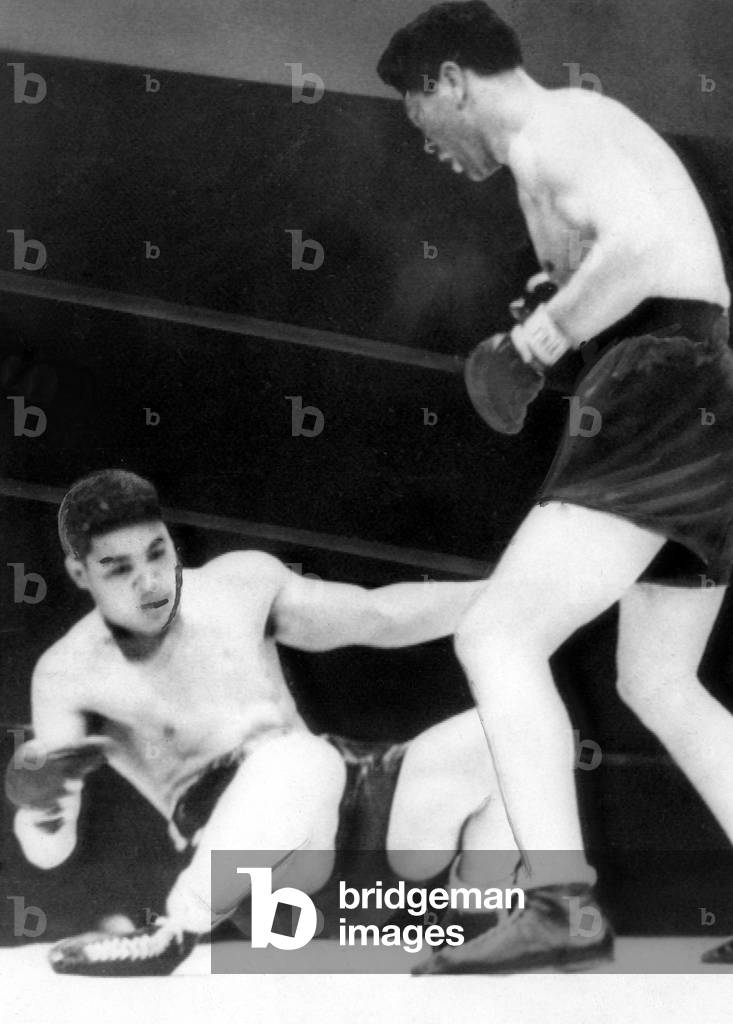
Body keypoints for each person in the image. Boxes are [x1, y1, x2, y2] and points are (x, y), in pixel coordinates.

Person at [378, 1, 733, 972]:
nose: (433, 148)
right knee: (655, 679)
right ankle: (558, 903)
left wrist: (539, 340)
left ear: (450, 80)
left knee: (494, 634)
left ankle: (559, 904)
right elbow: (648, 259)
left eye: (423, 118)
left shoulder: (555, 127)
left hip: (660, 391)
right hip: (700, 390)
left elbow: (645, 248)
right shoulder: (579, 134)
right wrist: (563, 307)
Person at [6, 468, 519, 976]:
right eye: (118, 568)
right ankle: (176, 929)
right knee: (300, 762)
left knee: (512, 730)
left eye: (157, 552)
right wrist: (43, 810)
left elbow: (378, 615)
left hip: (364, 823)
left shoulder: (240, 584)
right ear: (81, 573)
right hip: (270, 878)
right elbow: (50, 852)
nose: (149, 581)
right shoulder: (69, 672)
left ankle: (471, 926)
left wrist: (519, 591)